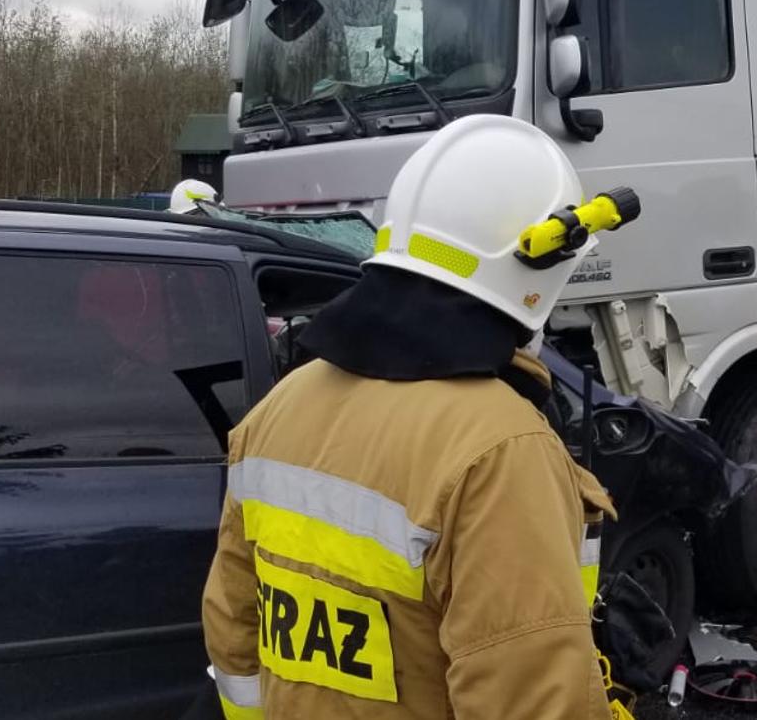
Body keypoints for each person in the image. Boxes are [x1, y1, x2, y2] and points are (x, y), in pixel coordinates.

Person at [199, 116, 638, 719]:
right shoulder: (498, 451)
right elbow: (530, 700)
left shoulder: (278, 410)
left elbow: (234, 638)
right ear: (539, 262)